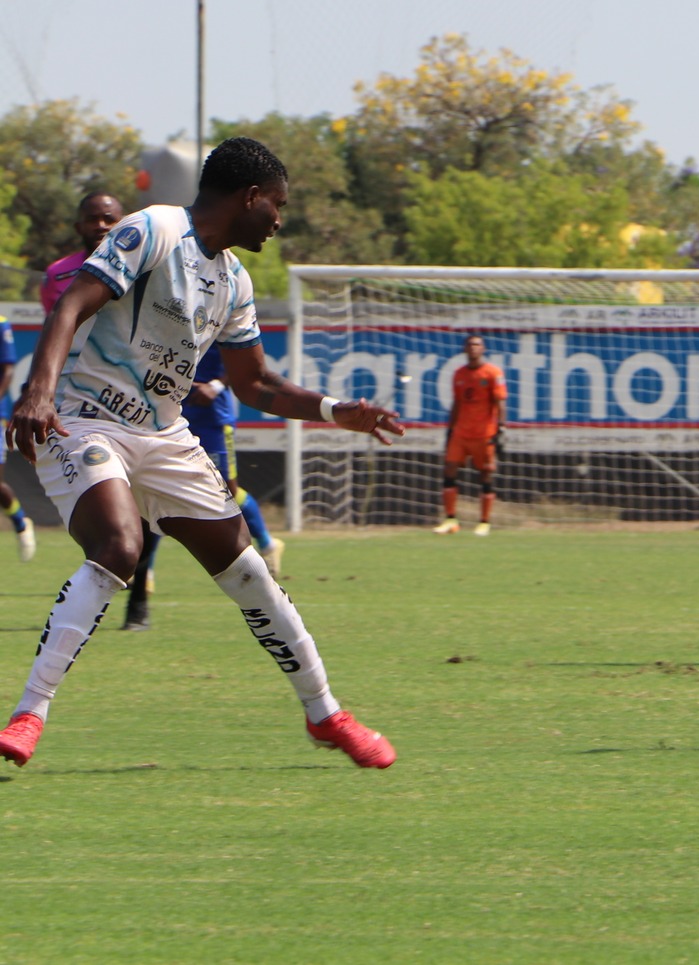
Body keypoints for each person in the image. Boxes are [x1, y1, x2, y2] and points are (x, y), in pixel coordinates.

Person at [0, 137, 403, 770]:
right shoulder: (154, 229)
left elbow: (257, 385)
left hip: (165, 436)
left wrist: (334, 410)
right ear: (250, 197)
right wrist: (39, 393)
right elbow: (74, 303)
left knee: (250, 575)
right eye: (277, 204)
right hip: (85, 422)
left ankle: (327, 715)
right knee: (120, 546)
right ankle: (29, 713)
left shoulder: (234, 281)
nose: (278, 219)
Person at [122, 345, 284, 630]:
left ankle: (268, 544)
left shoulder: (222, 311)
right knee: (153, 496)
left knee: (227, 492)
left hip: (213, 418)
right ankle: (143, 583)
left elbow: (247, 365)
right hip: (169, 418)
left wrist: (217, 384)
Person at [20, 192, 128, 567]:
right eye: (93, 218)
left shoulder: (142, 269)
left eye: (109, 218)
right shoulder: (58, 274)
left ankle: (138, 583)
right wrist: (35, 387)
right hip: (74, 396)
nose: (101, 225)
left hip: (128, 392)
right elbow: (54, 331)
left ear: (124, 223)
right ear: (78, 225)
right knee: (96, 492)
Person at [435, 335, 506, 536]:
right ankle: (451, 520)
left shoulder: (493, 373)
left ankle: (484, 522)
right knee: (449, 469)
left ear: (483, 349)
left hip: (484, 433)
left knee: (485, 474)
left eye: (477, 345)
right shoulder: (459, 374)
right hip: (461, 432)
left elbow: (500, 402)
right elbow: (457, 403)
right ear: (465, 349)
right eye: (470, 345)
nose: (473, 348)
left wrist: (501, 428)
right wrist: (450, 429)